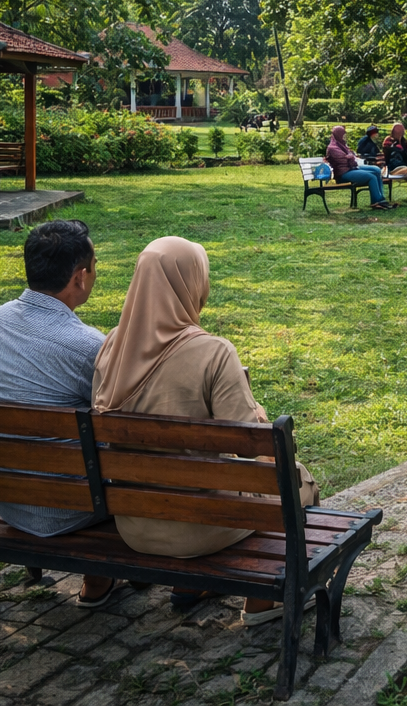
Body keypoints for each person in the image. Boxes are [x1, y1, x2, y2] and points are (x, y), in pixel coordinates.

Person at [92, 236, 319, 626]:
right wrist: (260, 413)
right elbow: (255, 446)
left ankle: (191, 586)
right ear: (191, 283)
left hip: (133, 523)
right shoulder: (214, 353)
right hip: (202, 525)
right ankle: (261, 599)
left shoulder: (112, 345)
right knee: (299, 481)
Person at [0, 220, 115, 607]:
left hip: (7, 497)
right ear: (79, 277)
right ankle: (99, 576)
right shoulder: (88, 346)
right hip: (63, 508)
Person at [324, 125, 392, 210]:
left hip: (351, 168)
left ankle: (381, 198)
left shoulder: (343, 146)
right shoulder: (332, 148)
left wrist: (350, 156)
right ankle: (376, 201)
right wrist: (351, 157)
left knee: (376, 170)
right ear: (338, 135)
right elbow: (344, 160)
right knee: (371, 176)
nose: (345, 137)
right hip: (343, 173)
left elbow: (351, 157)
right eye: (343, 135)